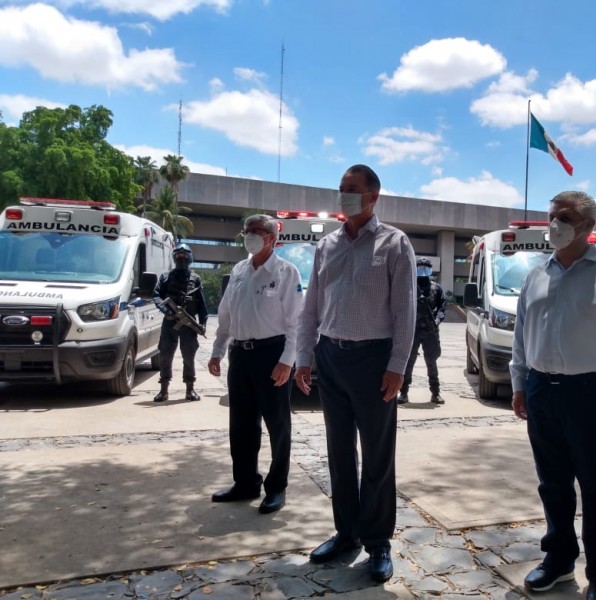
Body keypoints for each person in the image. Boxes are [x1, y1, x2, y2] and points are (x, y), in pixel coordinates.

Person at [509, 191, 596, 600]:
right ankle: (558, 561)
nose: (554, 223)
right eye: (552, 215)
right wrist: (519, 384)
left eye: (564, 217)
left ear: (588, 226)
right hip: (541, 390)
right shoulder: (537, 274)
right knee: (552, 484)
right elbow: (522, 336)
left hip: (592, 392)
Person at [293, 164, 416, 583]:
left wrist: (397, 366)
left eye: (353, 189)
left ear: (373, 196)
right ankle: (346, 533)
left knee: (377, 456)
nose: (344, 195)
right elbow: (312, 307)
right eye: (341, 188)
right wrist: (304, 356)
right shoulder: (326, 245)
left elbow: (405, 312)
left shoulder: (394, 243)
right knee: (339, 452)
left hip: (373, 362)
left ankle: (378, 541)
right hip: (331, 357)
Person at [207, 215, 303, 515]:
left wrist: (287, 361)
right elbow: (226, 314)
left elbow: (295, 323)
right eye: (246, 232)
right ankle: (245, 482)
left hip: (271, 354)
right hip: (241, 353)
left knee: (278, 424)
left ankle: (276, 488)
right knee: (242, 423)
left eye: (256, 232)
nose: (249, 236)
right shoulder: (238, 270)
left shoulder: (286, 272)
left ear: (272, 238)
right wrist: (218, 350)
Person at [152, 243, 209, 402]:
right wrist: (166, 309)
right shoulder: (165, 277)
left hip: (188, 324)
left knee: (189, 356)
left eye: (184, 256)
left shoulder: (195, 279)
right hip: (170, 322)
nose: (182, 259)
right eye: (179, 256)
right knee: (165, 355)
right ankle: (163, 390)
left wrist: (203, 323)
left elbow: (202, 305)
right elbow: (156, 295)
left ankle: (190, 389)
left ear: (189, 258)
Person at [398, 257, 447, 405]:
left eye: (426, 268)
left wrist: (437, 321)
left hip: (430, 331)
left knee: (431, 362)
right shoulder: (410, 287)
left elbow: (442, 308)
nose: (423, 271)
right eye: (420, 268)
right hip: (413, 331)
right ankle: (404, 393)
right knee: (408, 362)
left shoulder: (436, 288)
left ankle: (436, 393)